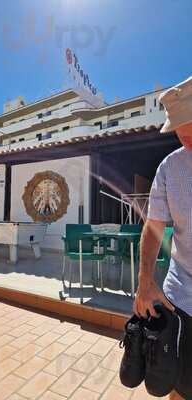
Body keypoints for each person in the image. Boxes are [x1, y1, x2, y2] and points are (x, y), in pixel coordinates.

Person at [134, 76, 192, 400]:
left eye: (188, 123)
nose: (181, 134)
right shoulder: (170, 167)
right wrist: (144, 281)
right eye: (178, 127)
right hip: (182, 298)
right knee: (179, 387)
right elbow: (153, 226)